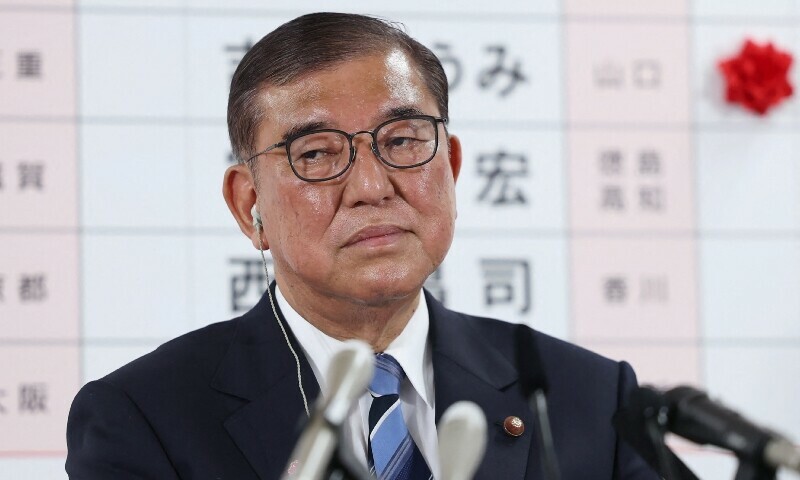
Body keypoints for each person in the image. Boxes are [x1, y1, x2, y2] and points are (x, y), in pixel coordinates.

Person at [66, 12, 658, 480]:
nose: (372, 187)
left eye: (402, 140)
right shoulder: (145, 419)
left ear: (450, 167)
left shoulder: (586, 398)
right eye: (317, 153)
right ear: (250, 205)